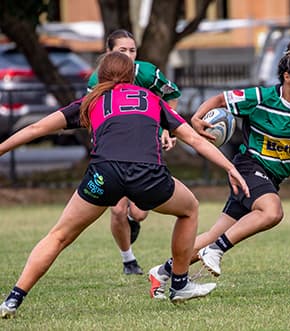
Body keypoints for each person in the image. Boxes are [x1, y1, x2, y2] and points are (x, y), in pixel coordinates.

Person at [0, 51, 249, 319]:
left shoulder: (91, 100)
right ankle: (179, 284)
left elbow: (36, 128)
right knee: (189, 209)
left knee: (59, 235)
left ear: (101, 77)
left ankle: (13, 299)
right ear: (132, 76)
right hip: (147, 175)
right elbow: (196, 140)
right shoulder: (152, 98)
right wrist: (230, 167)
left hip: (104, 175)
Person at [147, 39, 290, 299]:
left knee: (214, 233)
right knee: (272, 211)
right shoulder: (261, 97)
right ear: (286, 77)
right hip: (249, 167)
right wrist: (197, 118)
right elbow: (219, 99)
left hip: (271, 178)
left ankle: (163, 272)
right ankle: (217, 251)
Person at [87, 29, 182, 275]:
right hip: (115, 153)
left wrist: (165, 130)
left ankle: (133, 220)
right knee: (117, 209)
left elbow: (172, 95)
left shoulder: (147, 73)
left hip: (145, 148)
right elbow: (90, 116)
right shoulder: (96, 80)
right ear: (108, 53)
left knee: (139, 213)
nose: (128, 56)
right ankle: (128, 260)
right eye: (122, 51)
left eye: (132, 50)